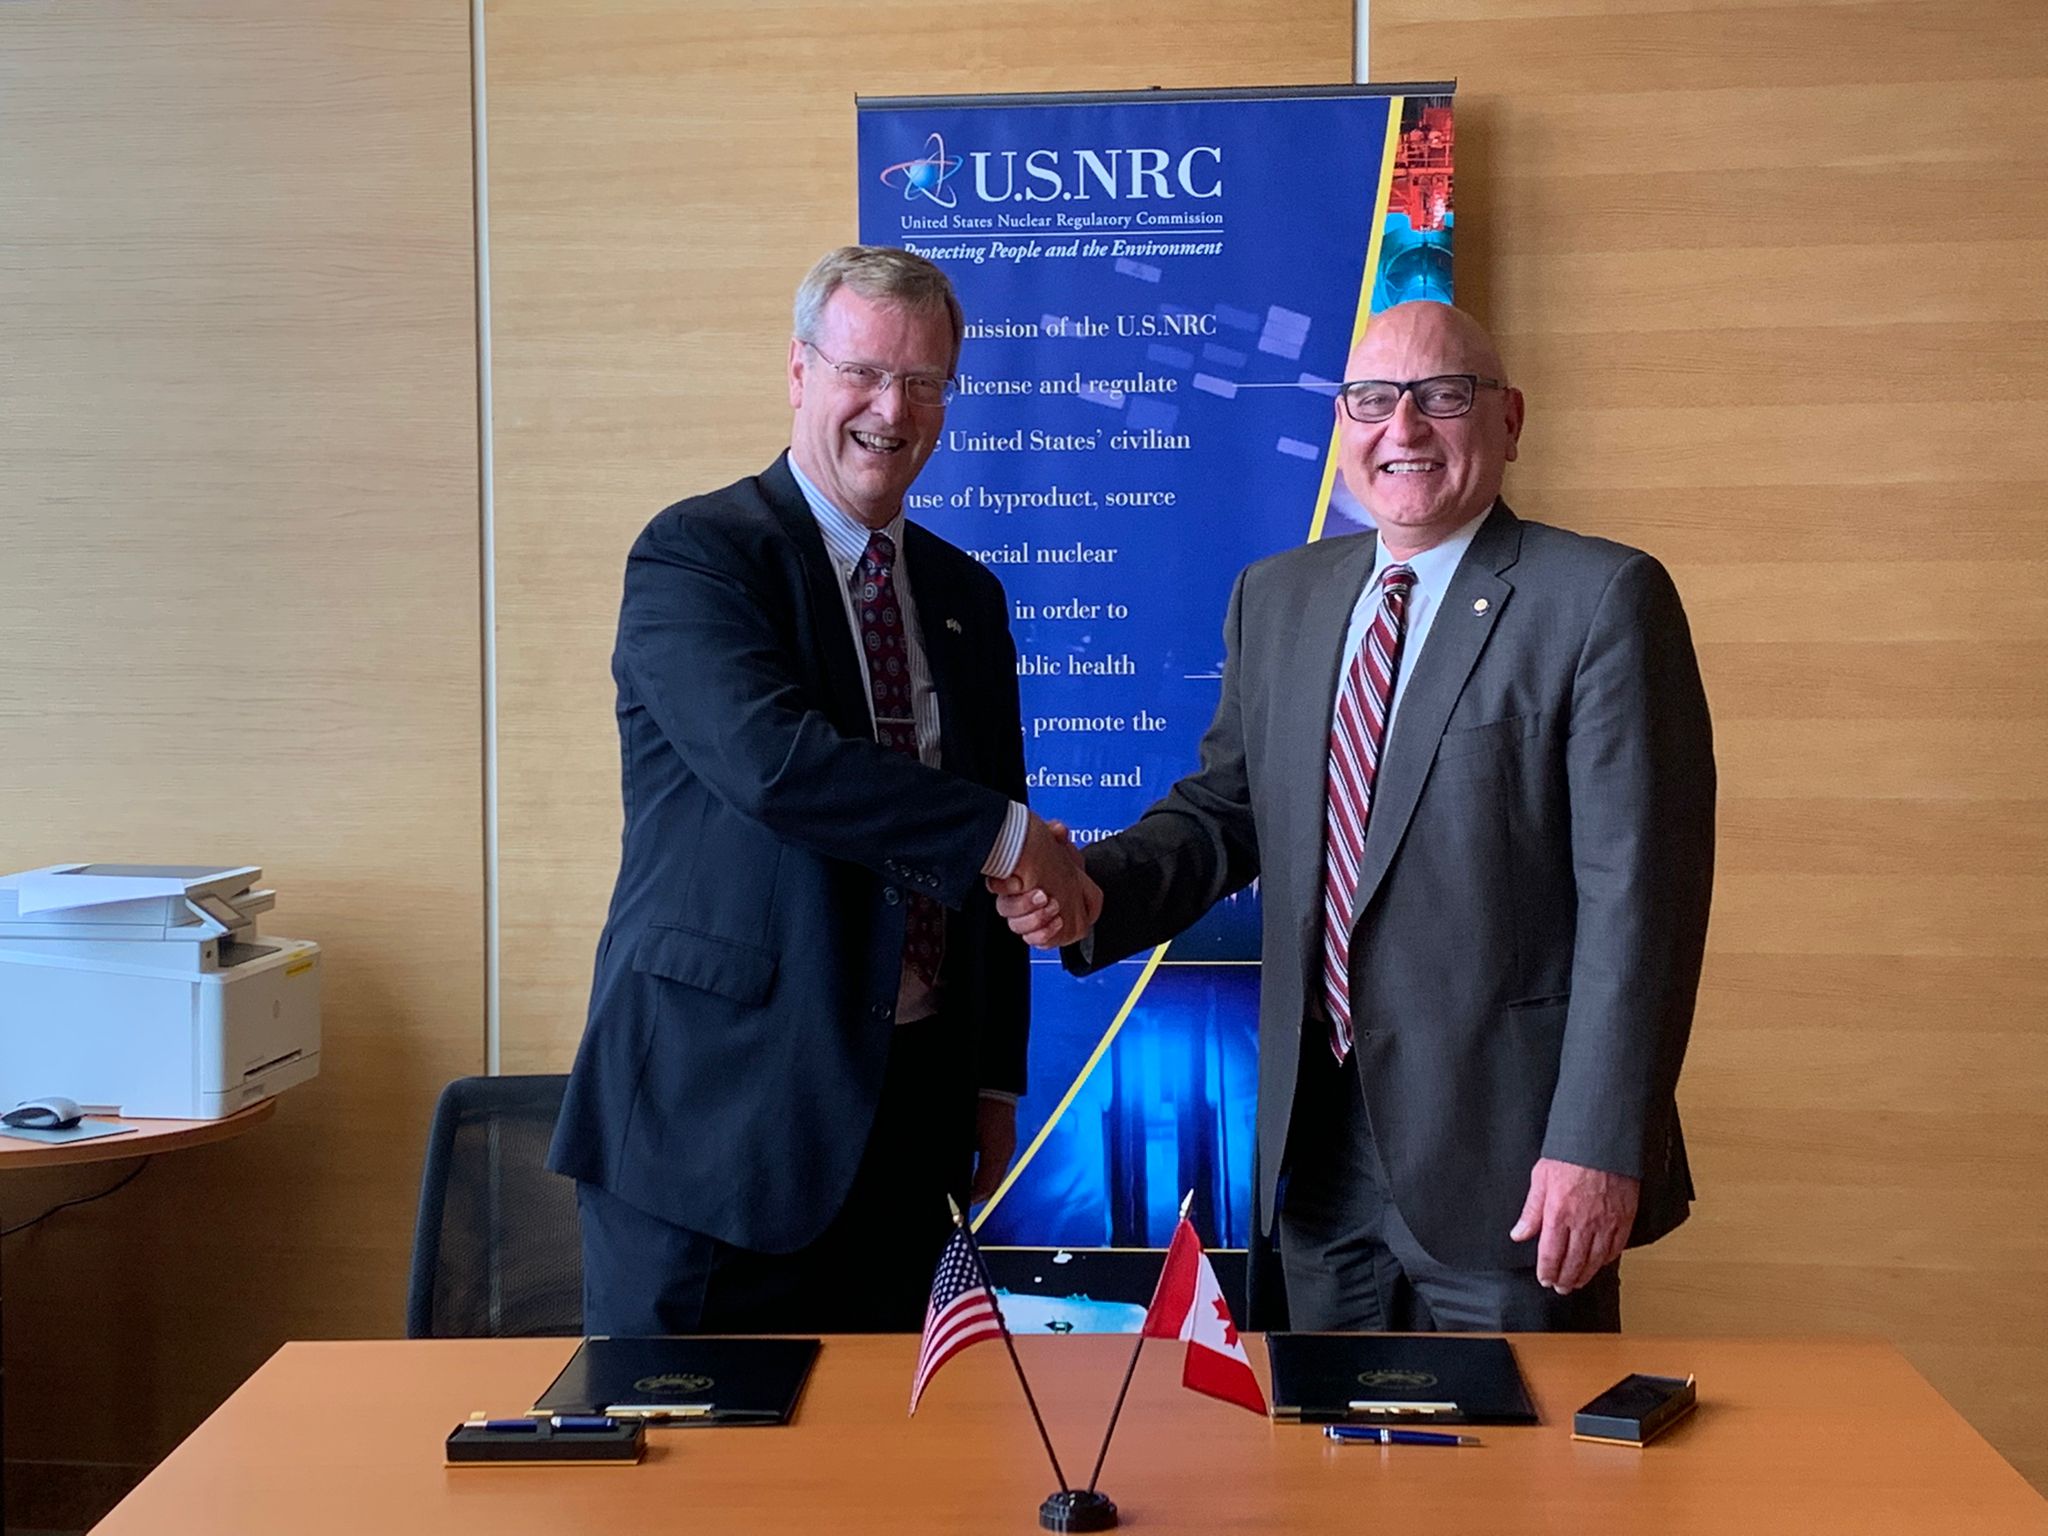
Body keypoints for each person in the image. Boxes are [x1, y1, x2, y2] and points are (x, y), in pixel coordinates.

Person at [996, 301, 1714, 1332]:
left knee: (1519, 1482)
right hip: (1317, 1152)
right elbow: (1225, 810)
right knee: (1331, 1471)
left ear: (1507, 420)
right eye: (1371, 401)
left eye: (1441, 397)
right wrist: (1094, 889)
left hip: (1513, 1165)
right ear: (1340, 430)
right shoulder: (1277, 597)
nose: (1403, 429)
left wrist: (1599, 1144)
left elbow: (1640, 901)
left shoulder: (1598, 599)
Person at [549, 245, 1098, 1335]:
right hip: (713, 1129)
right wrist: (1007, 837)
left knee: (885, 1483)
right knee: (697, 1483)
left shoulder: (963, 596)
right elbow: (776, 765)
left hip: (910, 1122)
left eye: (925, 382)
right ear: (799, 371)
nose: (891, 410)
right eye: (863, 372)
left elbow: (992, 827)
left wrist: (991, 1080)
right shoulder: (698, 556)